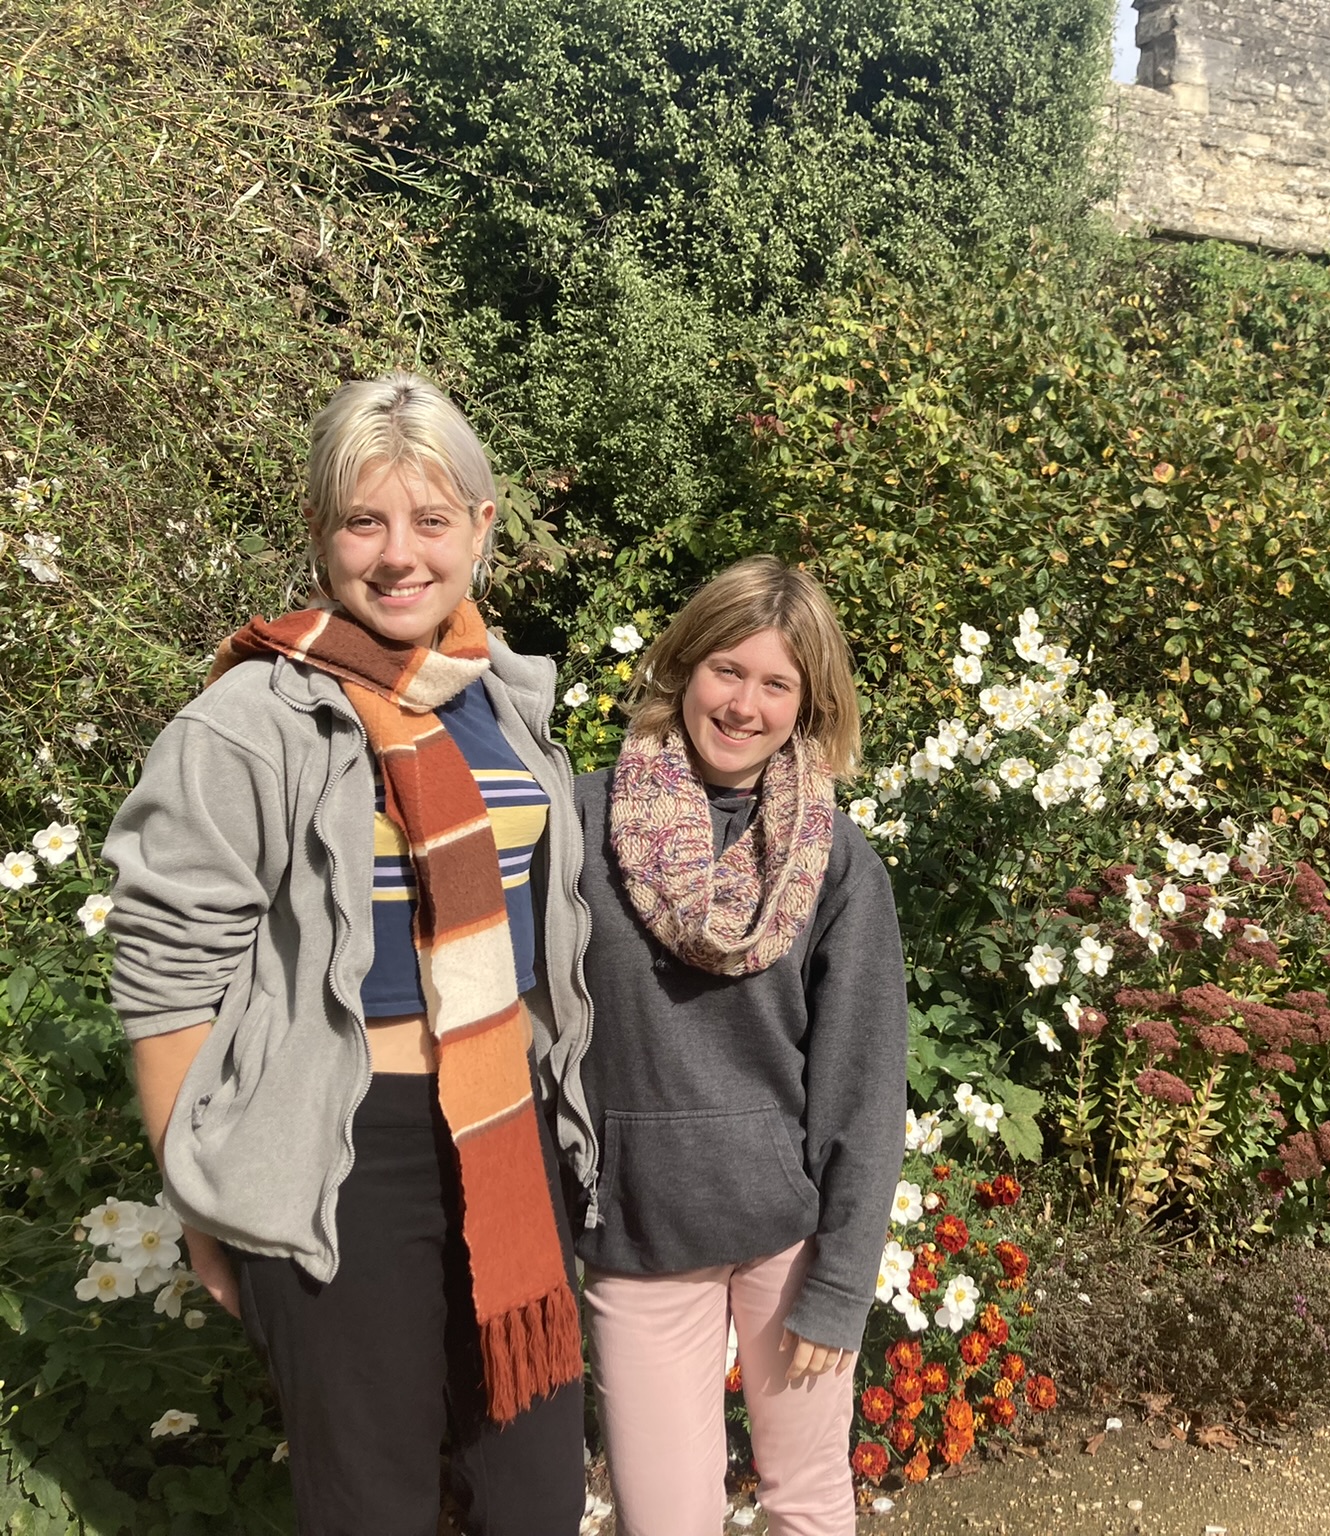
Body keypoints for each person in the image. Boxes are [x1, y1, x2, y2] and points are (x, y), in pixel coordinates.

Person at [104, 373, 593, 1535]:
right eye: (363, 521)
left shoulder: (506, 704)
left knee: (533, 1500)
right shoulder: (251, 722)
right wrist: (200, 1198)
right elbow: (165, 971)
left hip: (503, 1135)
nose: (398, 555)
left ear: (481, 527)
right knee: (369, 1503)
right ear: (320, 534)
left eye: (431, 520)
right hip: (344, 1149)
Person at [566, 555, 907, 1536]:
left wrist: (840, 1289)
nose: (744, 703)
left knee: (805, 1505)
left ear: (806, 704)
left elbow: (863, 1091)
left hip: (784, 1244)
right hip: (637, 1236)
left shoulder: (838, 864)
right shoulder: (579, 827)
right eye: (727, 669)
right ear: (683, 667)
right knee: (663, 1520)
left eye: (775, 683)